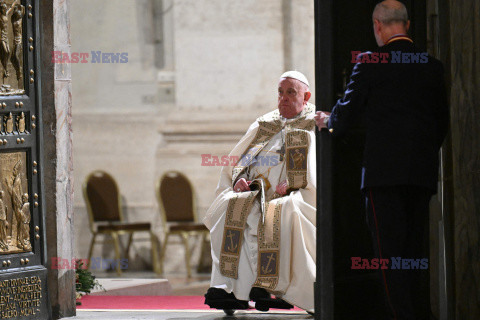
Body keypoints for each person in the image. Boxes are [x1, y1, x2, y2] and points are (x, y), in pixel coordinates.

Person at [315, 1, 449, 319]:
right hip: (421, 174)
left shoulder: (370, 62)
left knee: (389, 256)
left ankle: (403, 316)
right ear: (408, 25)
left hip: (383, 176)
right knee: (414, 254)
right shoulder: (432, 65)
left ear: (378, 25)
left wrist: (326, 120)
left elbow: (343, 118)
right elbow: (441, 123)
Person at [204, 71, 316, 314]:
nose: (283, 98)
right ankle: (229, 290)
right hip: (255, 193)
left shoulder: (313, 124)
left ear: (305, 96)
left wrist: (296, 184)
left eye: (291, 92)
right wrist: (239, 179)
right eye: (280, 92)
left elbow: (317, 170)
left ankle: (275, 288)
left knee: (283, 211)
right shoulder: (265, 123)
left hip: (293, 195)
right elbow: (239, 161)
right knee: (229, 205)